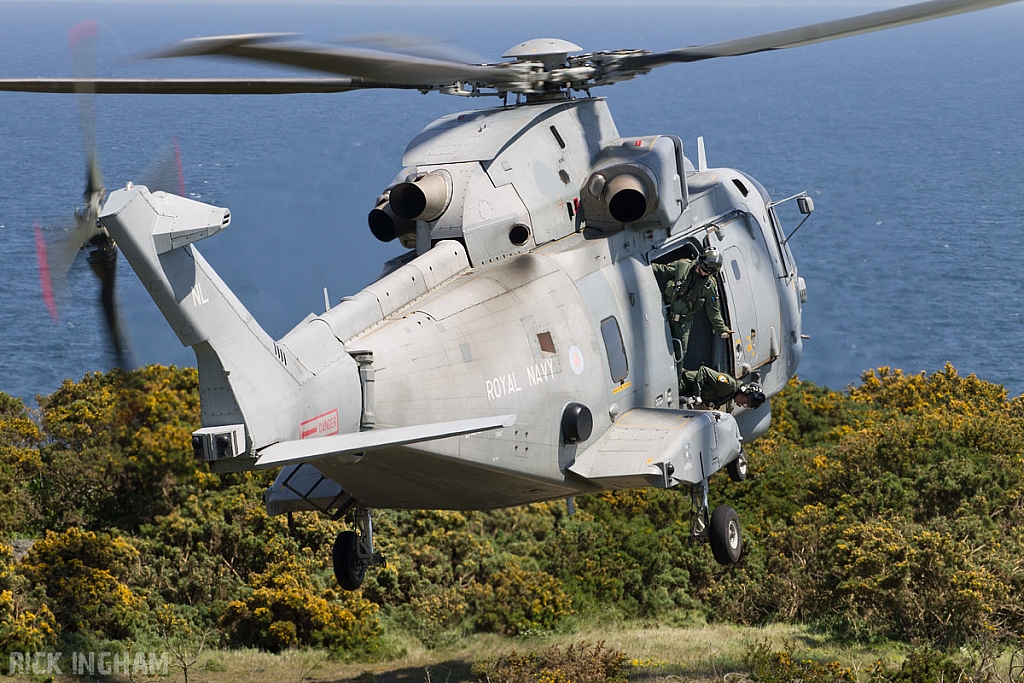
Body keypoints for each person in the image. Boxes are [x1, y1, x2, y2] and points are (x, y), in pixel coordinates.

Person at [652, 245, 732, 371]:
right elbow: (662, 270)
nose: (705, 273)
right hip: (664, 314)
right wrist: (645, 268)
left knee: (679, 356)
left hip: (684, 323)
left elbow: (714, 310)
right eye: (705, 269)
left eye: (709, 272)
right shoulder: (682, 266)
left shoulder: (708, 285)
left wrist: (722, 329)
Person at [680, 366, 766, 410]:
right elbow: (704, 371)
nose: (742, 404)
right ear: (744, 391)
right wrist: (696, 395)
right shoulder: (728, 385)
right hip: (684, 382)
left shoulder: (730, 395)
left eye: (746, 405)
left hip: (687, 391)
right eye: (745, 401)